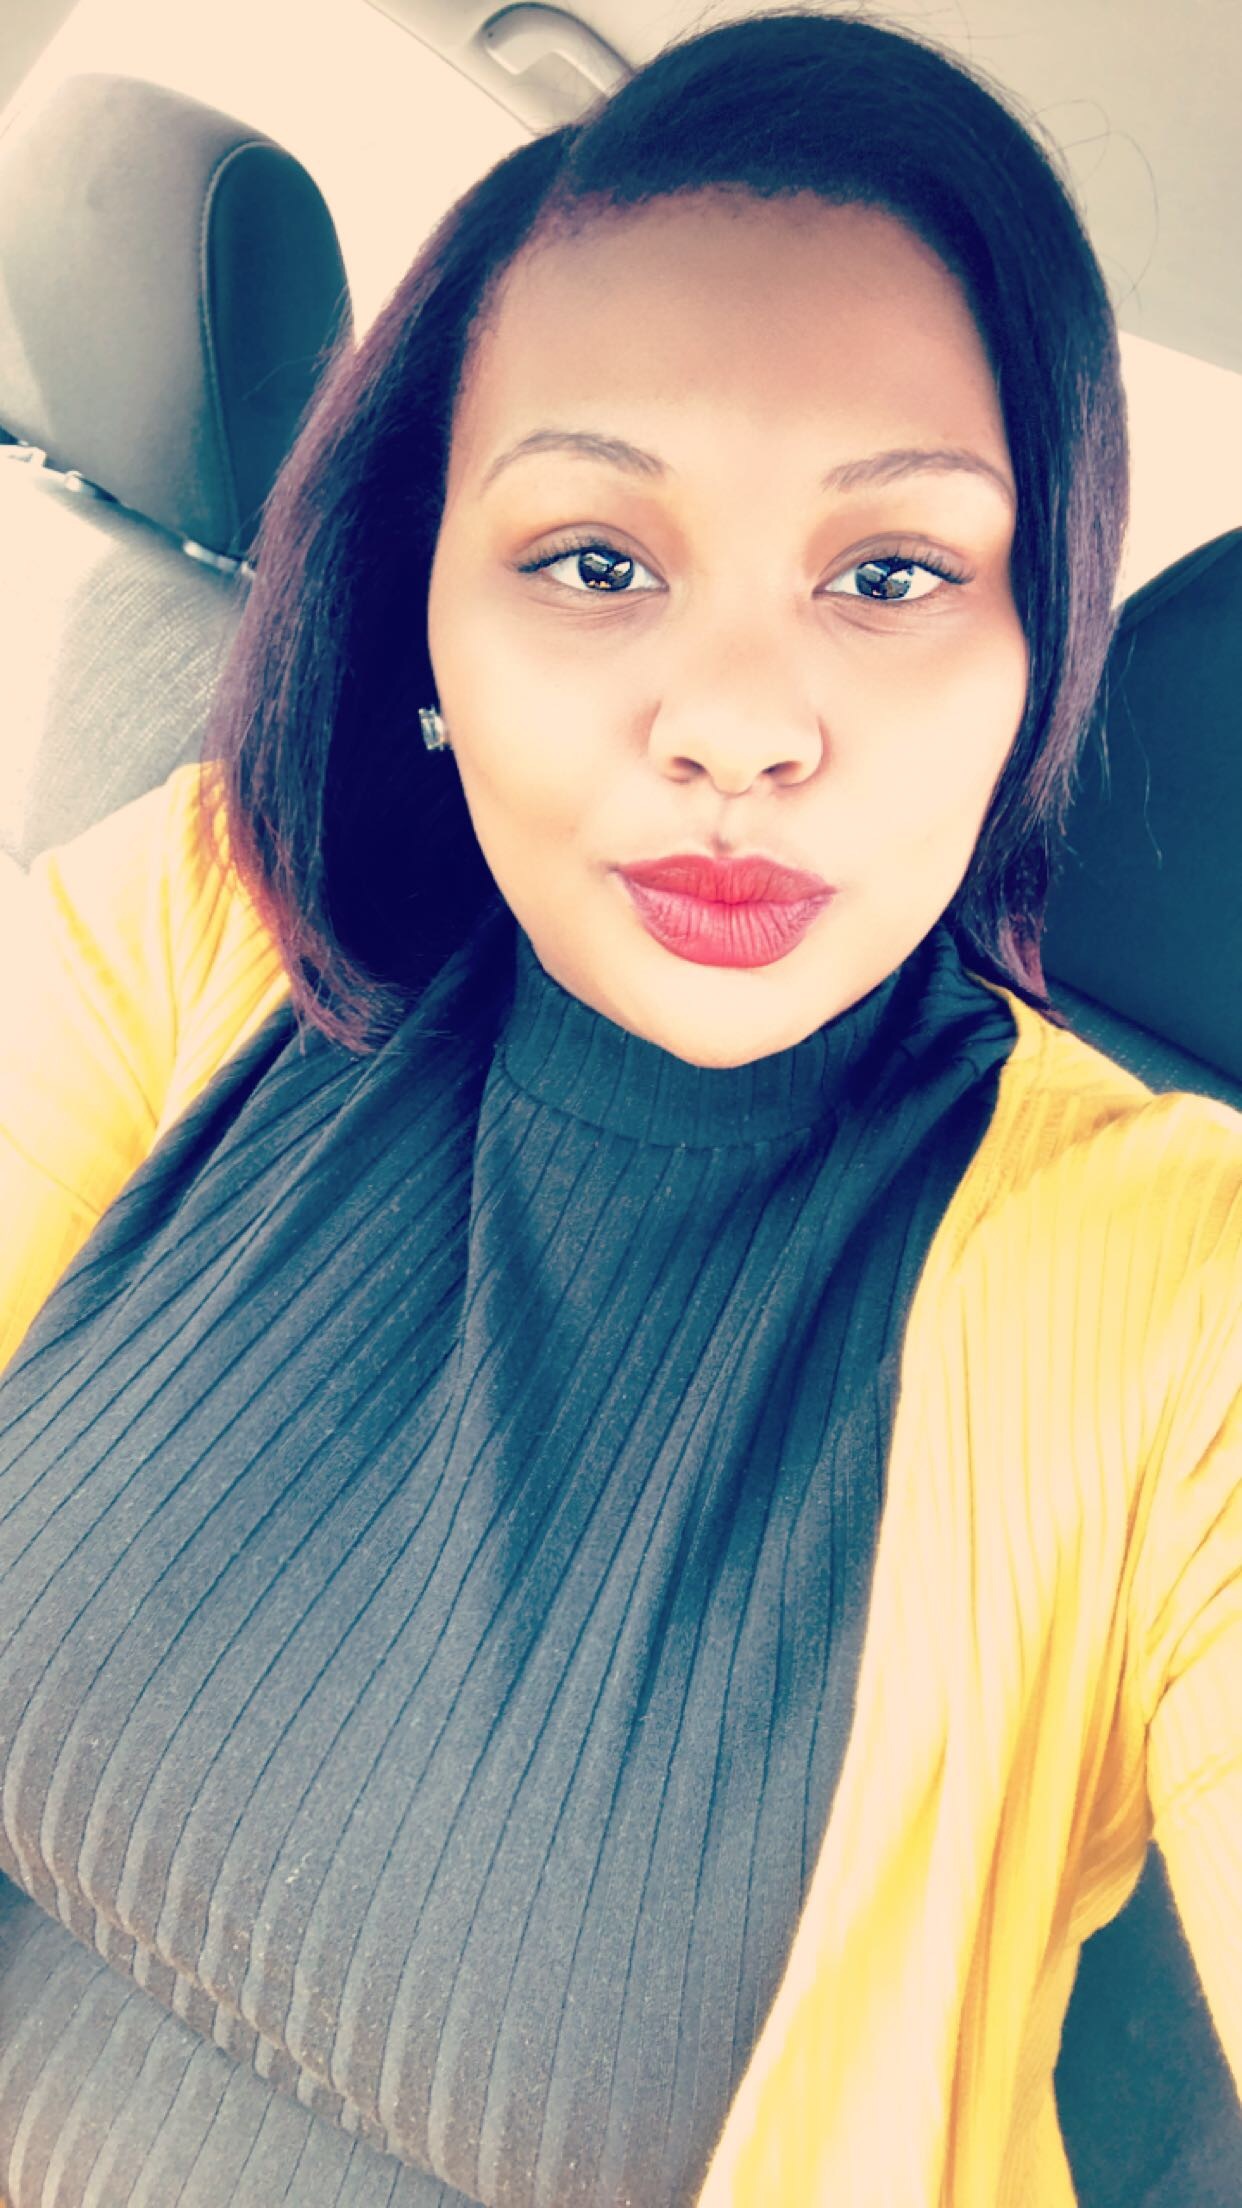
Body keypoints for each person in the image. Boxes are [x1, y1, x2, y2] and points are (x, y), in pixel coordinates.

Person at [0, 10, 1238, 2206]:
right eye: (593, 560)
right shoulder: (208, 917)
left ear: (1037, 652)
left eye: (891, 574)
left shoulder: (1163, 1286)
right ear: (425, 615)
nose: (738, 728)